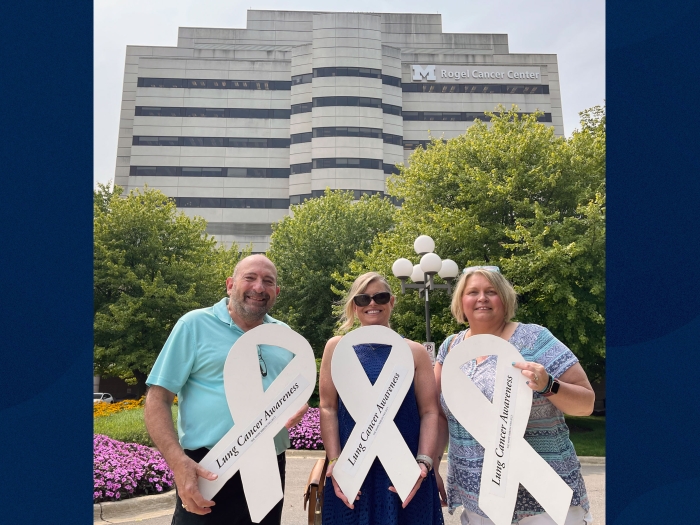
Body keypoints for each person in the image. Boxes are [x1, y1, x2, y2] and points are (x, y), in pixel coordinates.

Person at [144, 254, 308, 525]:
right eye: (250, 278)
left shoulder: (285, 336)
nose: (259, 287)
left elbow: (295, 393)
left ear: (276, 292)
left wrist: (298, 406)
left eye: (268, 281)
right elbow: (157, 399)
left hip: (268, 465)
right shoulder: (194, 325)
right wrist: (178, 462)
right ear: (230, 285)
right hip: (207, 468)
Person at [434, 266, 595, 525]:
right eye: (472, 292)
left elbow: (586, 403)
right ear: (461, 301)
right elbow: (438, 415)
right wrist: (432, 465)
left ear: (505, 299)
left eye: (491, 292)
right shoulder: (450, 348)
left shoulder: (535, 339)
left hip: (543, 497)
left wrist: (548, 385)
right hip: (480, 500)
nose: (482, 298)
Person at [319, 272, 444, 525]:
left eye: (380, 297)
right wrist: (334, 461)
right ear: (355, 306)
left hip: (405, 469)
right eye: (363, 298)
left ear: (392, 302)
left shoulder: (414, 351)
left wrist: (424, 463)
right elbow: (328, 407)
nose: (372, 303)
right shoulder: (337, 347)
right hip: (354, 468)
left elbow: (430, 411)